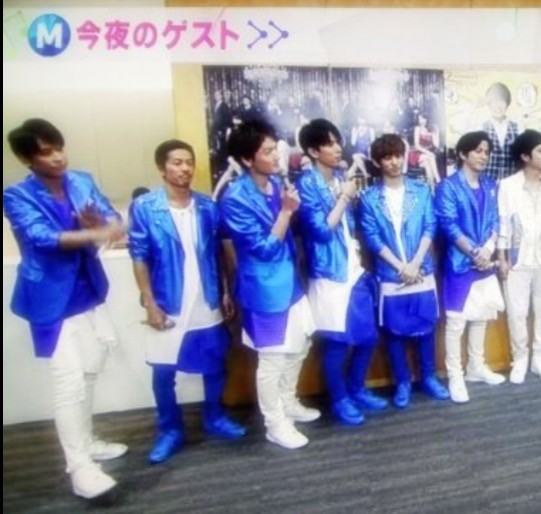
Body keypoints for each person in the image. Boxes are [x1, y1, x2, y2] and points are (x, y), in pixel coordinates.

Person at [4, 119, 126, 499]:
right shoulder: (16, 195)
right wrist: (95, 233)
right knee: (69, 383)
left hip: (88, 292)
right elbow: (41, 238)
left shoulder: (82, 180)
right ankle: (79, 468)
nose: (58, 157)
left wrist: (102, 222)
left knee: (89, 373)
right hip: (51, 302)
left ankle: (86, 443)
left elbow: (114, 220)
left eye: (59, 147)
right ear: (27, 159)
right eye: (46, 152)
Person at [129, 140, 247, 464]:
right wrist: (149, 303)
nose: (185, 169)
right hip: (167, 300)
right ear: (162, 168)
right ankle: (170, 430)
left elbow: (219, 254)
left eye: (189, 162)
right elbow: (139, 258)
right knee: (163, 371)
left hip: (206, 297)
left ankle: (214, 417)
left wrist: (226, 292)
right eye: (177, 162)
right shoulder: (145, 207)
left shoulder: (208, 206)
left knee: (215, 363)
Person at [219, 120, 320, 450]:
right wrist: (287, 213)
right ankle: (274, 424)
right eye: (267, 151)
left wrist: (290, 209)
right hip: (263, 289)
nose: (276, 155)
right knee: (272, 360)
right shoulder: (235, 198)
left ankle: (288, 401)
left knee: (301, 345)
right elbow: (262, 249)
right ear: (248, 159)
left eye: (275, 148)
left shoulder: (276, 183)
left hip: (290, 281)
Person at [296, 119, 386, 425]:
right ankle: (340, 399)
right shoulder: (307, 184)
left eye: (338, 142)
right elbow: (321, 231)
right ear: (313, 151)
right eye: (330, 143)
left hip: (354, 269)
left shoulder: (338, 178)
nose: (338, 149)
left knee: (368, 336)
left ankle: (357, 388)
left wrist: (346, 194)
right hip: (329, 273)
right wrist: (345, 197)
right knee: (337, 341)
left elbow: (349, 227)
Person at [358, 134, 450, 408]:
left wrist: (416, 262)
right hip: (391, 273)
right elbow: (372, 238)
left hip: (421, 269)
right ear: (378, 162)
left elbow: (430, 226)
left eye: (398, 155)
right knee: (394, 331)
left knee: (426, 325)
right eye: (387, 157)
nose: (394, 162)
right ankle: (402, 382)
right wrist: (401, 267)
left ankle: (429, 378)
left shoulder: (420, 190)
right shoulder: (369, 197)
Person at [435, 131, 506, 403]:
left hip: (485, 260)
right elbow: (448, 225)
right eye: (478, 150)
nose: (483, 156)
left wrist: (488, 248)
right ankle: (456, 375)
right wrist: (475, 252)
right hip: (459, 262)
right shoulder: (448, 186)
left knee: (481, 315)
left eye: (486, 151)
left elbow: (496, 219)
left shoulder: (490, 184)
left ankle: (476, 366)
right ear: (463, 154)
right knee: (456, 322)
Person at [497, 130, 541, 384]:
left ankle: (540, 358)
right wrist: (502, 258)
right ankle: (520, 359)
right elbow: (503, 224)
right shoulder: (508, 185)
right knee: (517, 312)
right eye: (540, 150)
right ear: (526, 156)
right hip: (518, 259)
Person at [482, 82, 519, 182]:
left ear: (507, 104)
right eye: (494, 102)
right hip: (486, 181)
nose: (498, 107)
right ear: (489, 104)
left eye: (501, 102)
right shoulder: (481, 127)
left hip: (511, 181)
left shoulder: (517, 127)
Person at [411, 113, 441, 191]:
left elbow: (436, 145)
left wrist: (437, 133)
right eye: (419, 119)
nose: (421, 121)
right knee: (431, 157)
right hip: (417, 153)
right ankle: (438, 180)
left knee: (427, 164)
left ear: (427, 119)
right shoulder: (417, 128)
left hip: (426, 157)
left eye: (423, 118)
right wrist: (429, 153)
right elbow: (417, 145)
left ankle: (432, 189)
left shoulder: (430, 130)